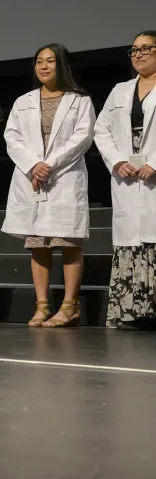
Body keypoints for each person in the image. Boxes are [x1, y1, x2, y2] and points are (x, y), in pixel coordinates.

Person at [2, 43, 96, 327]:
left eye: (50, 61)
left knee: (68, 242)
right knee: (38, 244)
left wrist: (49, 165)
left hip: (64, 177)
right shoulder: (23, 101)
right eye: (39, 62)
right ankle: (42, 306)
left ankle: (70, 306)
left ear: (62, 65)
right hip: (32, 178)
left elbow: (82, 138)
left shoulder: (80, 100)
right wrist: (33, 165)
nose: (43, 66)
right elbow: (12, 137)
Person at [95, 31, 156, 329]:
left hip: (153, 175)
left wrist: (155, 163)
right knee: (131, 238)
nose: (139, 54)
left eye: (146, 48)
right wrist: (117, 160)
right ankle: (133, 312)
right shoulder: (120, 90)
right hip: (127, 177)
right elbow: (101, 130)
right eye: (134, 50)